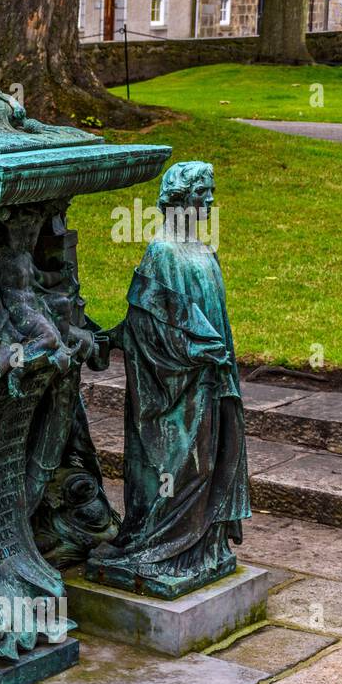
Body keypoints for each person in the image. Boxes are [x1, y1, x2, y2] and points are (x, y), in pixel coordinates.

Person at [89, 161, 250, 598]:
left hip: (208, 382)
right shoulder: (163, 253)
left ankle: (200, 548)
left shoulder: (203, 251)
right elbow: (149, 323)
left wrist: (213, 355)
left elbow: (208, 321)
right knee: (177, 465)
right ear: (178, 200)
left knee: (208, 460)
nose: (210, 202)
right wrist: (195, 350)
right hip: (176, 388)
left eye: (210, 192)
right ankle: (161, 546)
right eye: (203, 194)